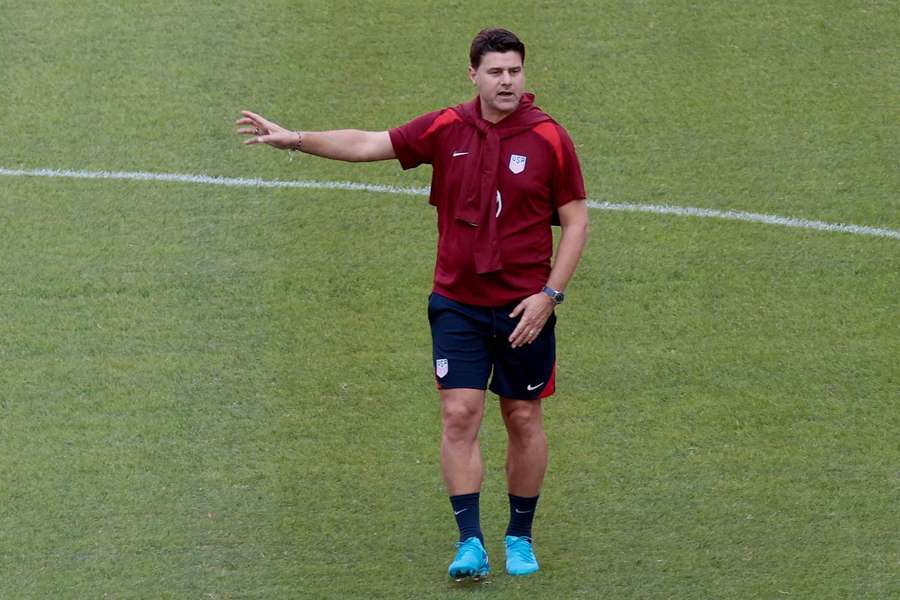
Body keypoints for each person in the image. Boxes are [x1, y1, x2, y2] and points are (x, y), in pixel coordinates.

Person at [236, 28, 588, 579]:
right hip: (458, 303)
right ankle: (469, 542)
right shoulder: (448, 127)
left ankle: (519, 535)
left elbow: (576, 219)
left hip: (526, 308)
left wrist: (549, 296)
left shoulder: (549, 139)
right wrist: (296, 138)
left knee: (522, 416)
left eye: (515, 71)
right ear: (473, 74)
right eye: (495, 72)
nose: (507, 81)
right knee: (459, 412)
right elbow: (371, 143)